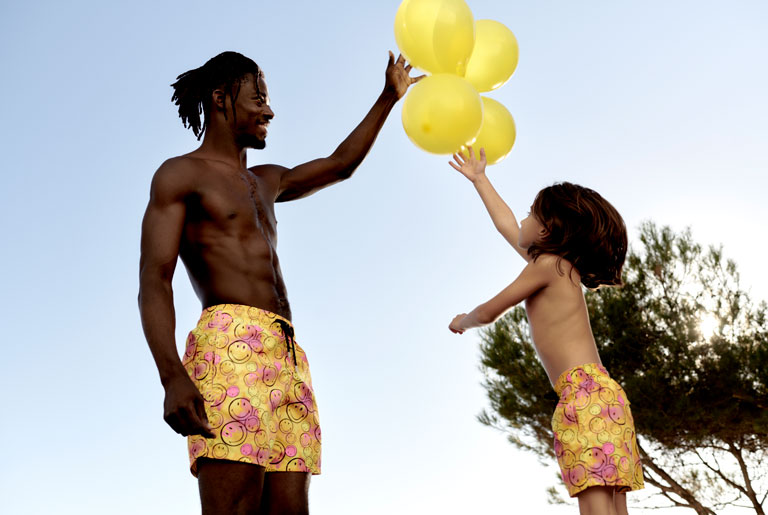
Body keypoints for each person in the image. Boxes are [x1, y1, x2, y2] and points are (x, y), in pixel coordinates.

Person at [138, 50, 421, 514]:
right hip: (228, 345)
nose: (269, 110)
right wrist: (172, 375)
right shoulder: (180, 174)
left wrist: (388, 97)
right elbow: (154, 279)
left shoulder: (266, 180)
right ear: (220, 99)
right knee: (235, 505)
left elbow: (341, 164)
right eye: (258, 98)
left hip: (287, 354)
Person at [447, 148, 644, 515]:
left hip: (582, 395)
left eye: (530, 214)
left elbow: (491, 311)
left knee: (595, 500)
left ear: (547, 229)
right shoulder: (557, 268)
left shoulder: (547, 266)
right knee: (614, 503)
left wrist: (463, 320)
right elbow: (507, 225)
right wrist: (480, 179)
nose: (521, 219)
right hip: (605, 396)